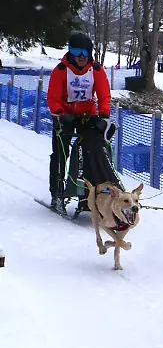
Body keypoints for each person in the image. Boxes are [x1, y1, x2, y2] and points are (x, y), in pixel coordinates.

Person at [46, 31, 112, 213]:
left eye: (84, 53)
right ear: (70, 53)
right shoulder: (61, 71)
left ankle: (89, 196)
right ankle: (57, 194)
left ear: (89, 53)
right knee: (60, 154)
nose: (80, 57)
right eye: (76, 52)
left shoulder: (96, 70)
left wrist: (104, 116)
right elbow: (52, 97)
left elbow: (104, 95)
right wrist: (59, 114)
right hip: (65, 116)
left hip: (87, 115)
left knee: (92, 151)